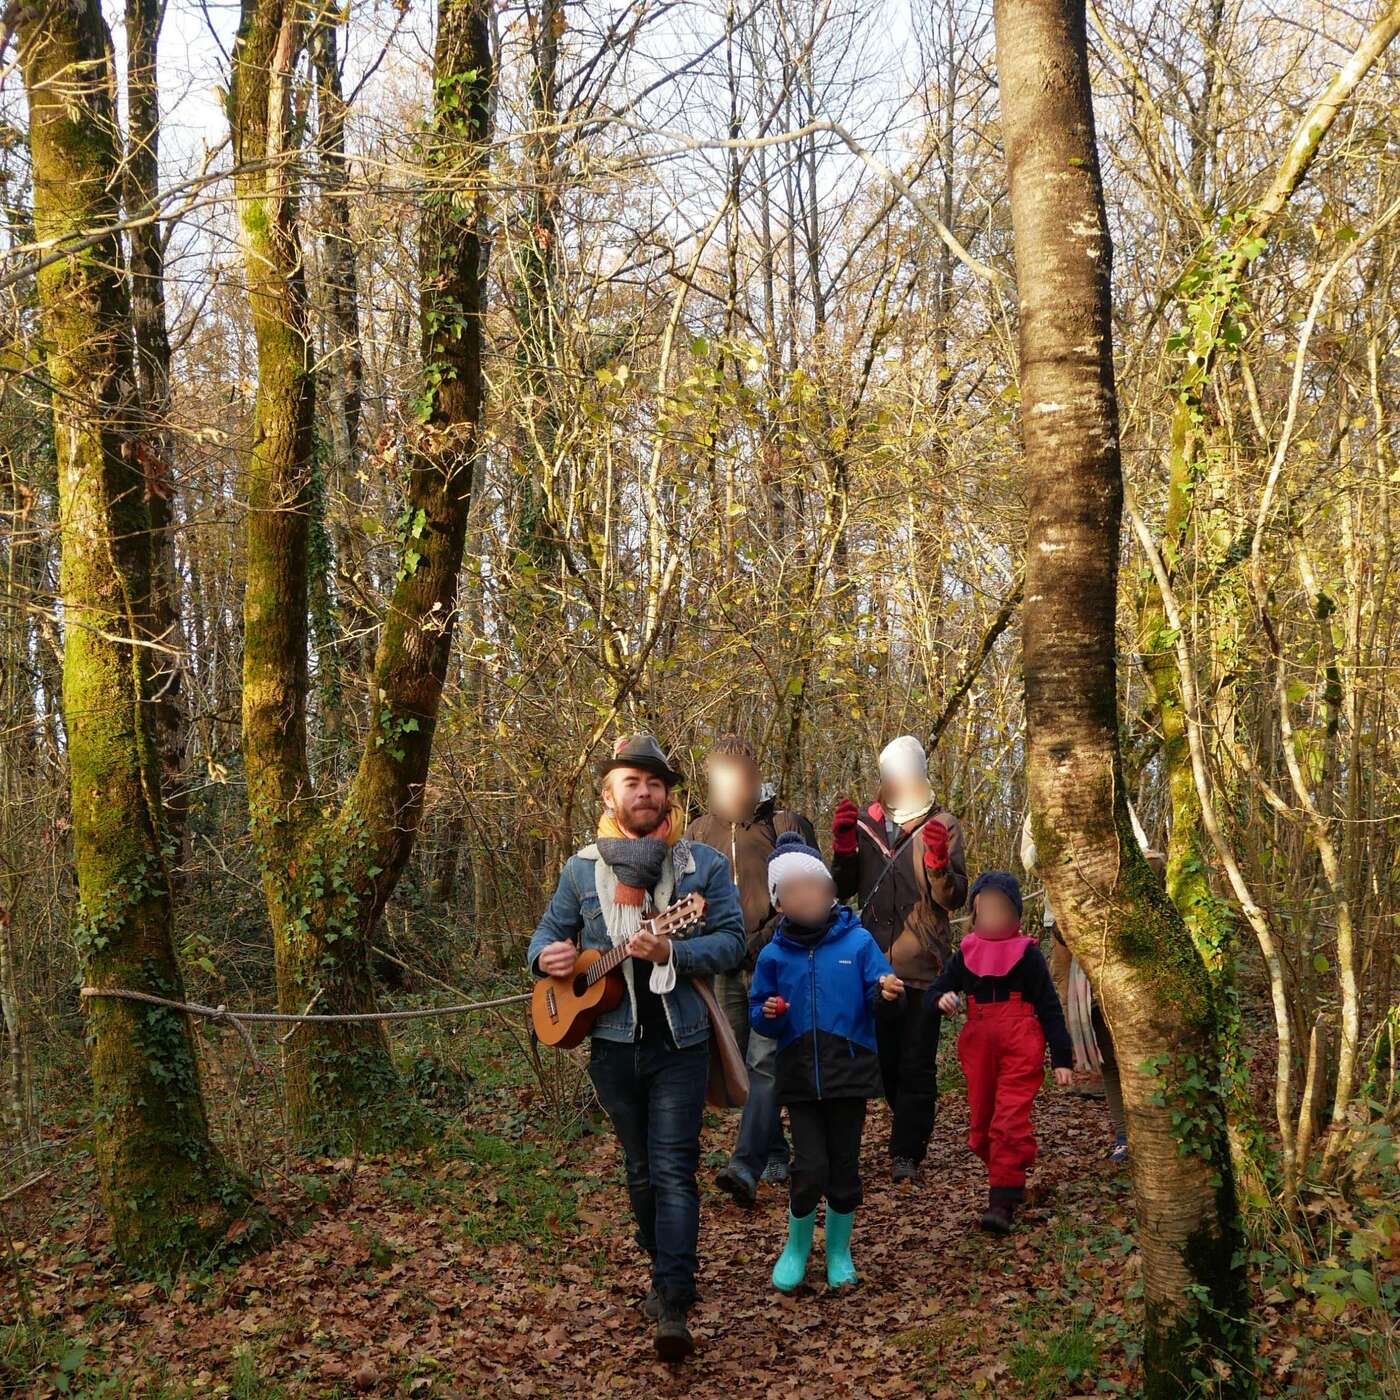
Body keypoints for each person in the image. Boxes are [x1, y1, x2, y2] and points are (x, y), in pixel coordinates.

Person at [527, 734, 746, 1361]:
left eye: (654, 783)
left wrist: (675, 948)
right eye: (632, 782)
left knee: (674, 1167)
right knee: (641, 1170)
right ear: (609, 794)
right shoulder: (582, 869)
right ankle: (668, 1262)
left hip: (680, 1041)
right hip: (611, 1046)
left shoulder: (700, 866)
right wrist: (548, 955)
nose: (645, 792)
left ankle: (673, 1297)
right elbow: (544, 937)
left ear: (669, 794)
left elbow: (733, 942)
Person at [749, 832, 903, 1291]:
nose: (805, 896)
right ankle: (796, 1248)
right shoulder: (773, 955)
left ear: (830, 892)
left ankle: (838, 1252)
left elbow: (883, 998)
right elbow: (760, 1013)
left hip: (849, 1073)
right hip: (798, 1077)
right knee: (809, 1166)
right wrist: (768, 1012)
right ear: (779, 903)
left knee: (844, 1166)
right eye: (792, 890)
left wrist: (888, 993)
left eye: (812, 886)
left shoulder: (857, 943)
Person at [686, 736, 817, 1206]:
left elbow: (809, 893)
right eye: (719, 783)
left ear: (755, 776)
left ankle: (745, 1165)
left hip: (776, 964)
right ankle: (774, 1148)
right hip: (723, 967)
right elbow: (688, 897)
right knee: (740, 1062)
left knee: (766, 1062)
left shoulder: (785, 824)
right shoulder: (700, 831)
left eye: (737, 781)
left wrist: (756, 945)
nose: (729, 792)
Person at [830, 735, 968, 1181]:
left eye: (908, 774)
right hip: (872, 967)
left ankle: (906, 1152)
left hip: (924, 967)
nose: (899, 783)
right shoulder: (868, 825)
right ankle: (904, 1122)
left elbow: (954, 898)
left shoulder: (943, 824)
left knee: (917, 1062)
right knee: (885, 1062)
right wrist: (844, 848)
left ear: (921, 775)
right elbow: (843, 888)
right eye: (893, 775)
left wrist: (938, 862)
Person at [930, 871, 1073, 1233]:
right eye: (986, 909)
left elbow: (1050, 1008)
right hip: (978, 1045)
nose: (993, 916)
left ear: (1015, 916)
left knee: (1008, 1122)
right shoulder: (965, 954)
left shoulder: (1028, 956)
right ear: (974, 916)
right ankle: (1011, 1170)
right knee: (982, 1126)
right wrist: (942, 998)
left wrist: (1062, 1058)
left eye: (1001, 908)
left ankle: (1001, 1201)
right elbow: (938, 988)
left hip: (1020, 1042)